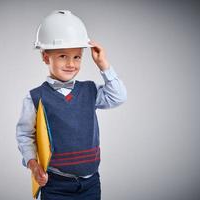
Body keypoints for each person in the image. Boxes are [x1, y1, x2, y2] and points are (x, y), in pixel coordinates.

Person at [16, 10, 127, 200]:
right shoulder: (35, 97)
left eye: (77, 57)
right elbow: (25, 135)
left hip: (91, 183)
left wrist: (103, 65)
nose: (71, 64)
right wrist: (33, 166)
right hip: (56, 184)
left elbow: (118, 96)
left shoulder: (90, 91)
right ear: (45, 57)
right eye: (62, 56)